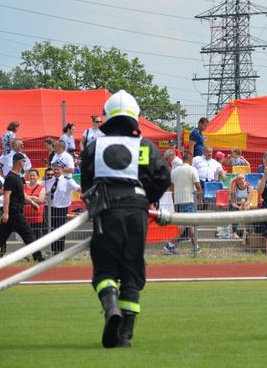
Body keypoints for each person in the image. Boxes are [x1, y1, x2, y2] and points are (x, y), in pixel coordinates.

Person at [80, 90, 170, 348]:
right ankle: (125, 337)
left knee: (105, 270)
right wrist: (145, 200)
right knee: (132, 271)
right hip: (137, 211)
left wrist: (94, 205)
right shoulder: (145, 145)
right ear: (135, 118)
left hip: (106, 210)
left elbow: (86, 183)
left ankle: (111, 310)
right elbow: (163, 177)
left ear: (107, 118)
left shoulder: (94, 146)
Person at [0, 153, 44, 263]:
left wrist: (31, 202)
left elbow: (22, 193)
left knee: (1, 236)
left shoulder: (18, 177)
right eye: (23, 161)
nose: (24, 163)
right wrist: (6, 213)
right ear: (18, 162)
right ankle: (38, 257)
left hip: (15, 211)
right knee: (28, 233)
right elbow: (7, 195)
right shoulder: (11, 177)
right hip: (14, 212)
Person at [165, 152, 202, 255]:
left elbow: (171, 187)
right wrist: (200, 199)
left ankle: (195, 247)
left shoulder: (174, 171)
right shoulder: (192, 169)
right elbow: (198, 186)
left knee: (188, 225)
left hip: (178, 199)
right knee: (187, 225)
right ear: (190, 160)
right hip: (189, 199)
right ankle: (171, 244)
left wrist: (174, 200)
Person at [45, 161, 82, 254]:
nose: (56, 171)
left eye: (58, 169)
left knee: (61, 230)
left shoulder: (68, 180)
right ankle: (53, 250)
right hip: (50, 208)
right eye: (54, 169)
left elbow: (78, 188)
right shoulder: (48, 180)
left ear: (62, 170)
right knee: (51, 229)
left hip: (62, 208)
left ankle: (60, 250)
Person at [24, 168, 46, 240]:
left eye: (34, 175)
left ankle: (36, 251)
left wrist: (27, 198)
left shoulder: (41, 187)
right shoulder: (23, 187)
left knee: (36, 237)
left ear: (38, 177)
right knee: (27, 237)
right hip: (25, 217)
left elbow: (40, 200)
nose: (32, 177)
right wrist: (33, 197)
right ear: (28, 176)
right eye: (30, 175)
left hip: (37, 217)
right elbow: (21, 198)